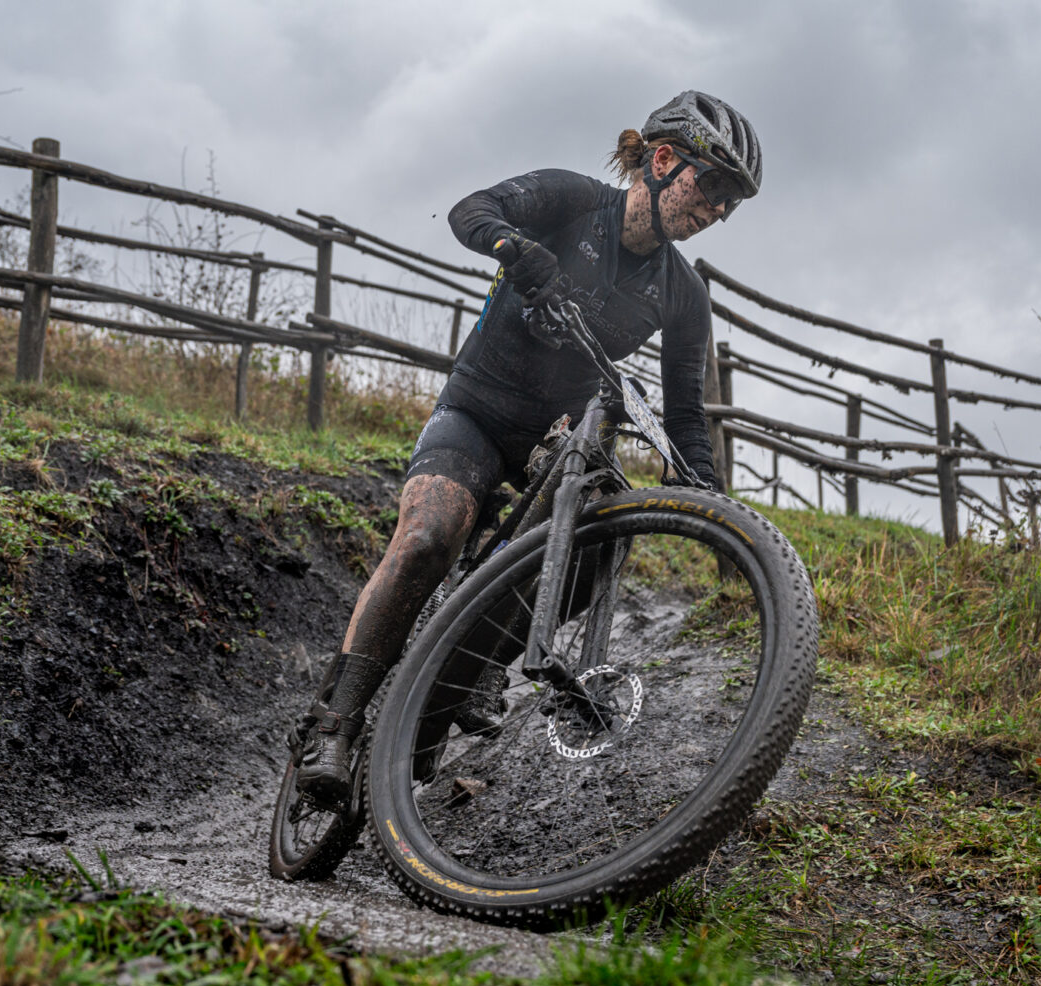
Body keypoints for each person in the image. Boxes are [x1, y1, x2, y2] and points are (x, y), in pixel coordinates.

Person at [290, 90, 763, 808]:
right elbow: (470, 212)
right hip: (476, 414)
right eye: (715, 187)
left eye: (733, 202)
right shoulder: (572, 200)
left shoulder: (682, 294)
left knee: (597, 549)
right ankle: (333, 723)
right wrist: (520, 251)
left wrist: (718, 512)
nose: (719, 210)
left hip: (553, 452)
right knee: (426, 540)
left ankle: (483, 664)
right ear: (664, 162)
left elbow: (686, 421)